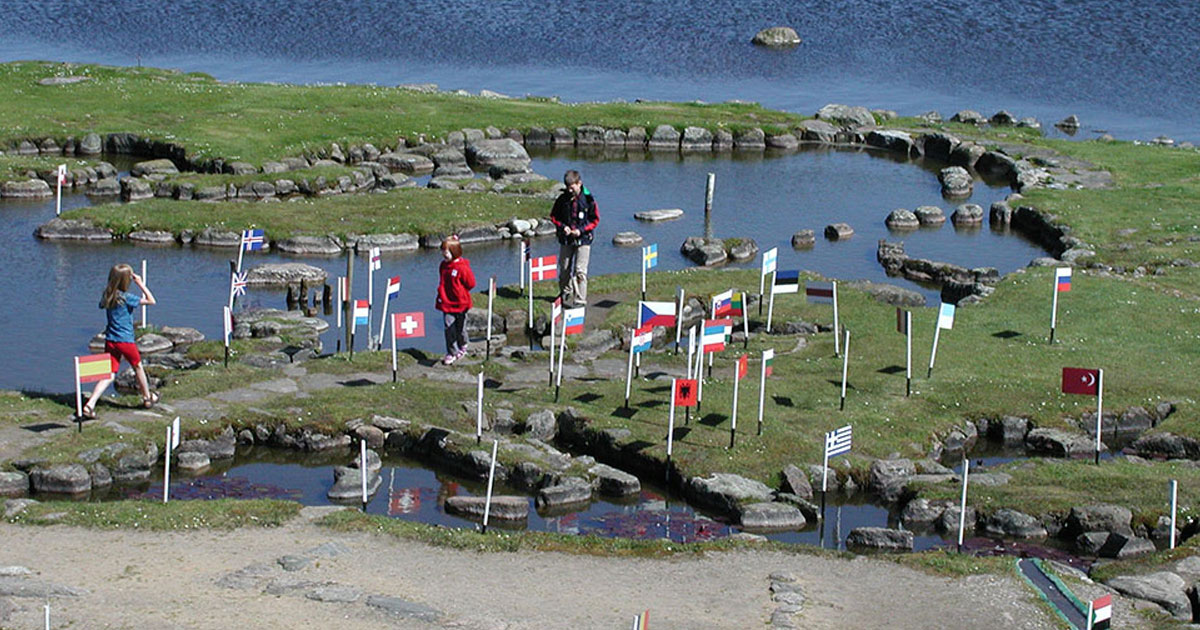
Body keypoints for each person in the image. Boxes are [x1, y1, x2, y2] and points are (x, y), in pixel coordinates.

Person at [80, 263, 158, 418]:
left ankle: (90, 404)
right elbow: (151, 301)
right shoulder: (126, 298)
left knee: (109, 373)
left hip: (111, 340)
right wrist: (141, 284)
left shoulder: (108, 295)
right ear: (126, 281)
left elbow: (102, 305)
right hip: (126, 341)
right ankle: (147, 398)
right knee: (138, 367)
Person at [549, 169, 599, 307]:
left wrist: (581, 230)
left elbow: (595, 220)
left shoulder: (588, 199)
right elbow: (553, 216)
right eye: (568, 187)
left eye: (572, 187)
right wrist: (562, 226)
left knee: (580, 271)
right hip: (566, 239)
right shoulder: (562, 199)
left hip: (584, 239)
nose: (570, 190)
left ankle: (580, 300)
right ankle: (565, 291)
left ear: (579, 183)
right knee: (564, 268)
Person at [435, 235, 476, 365]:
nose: (443, 254)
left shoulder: (462, 267)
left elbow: (471, 283)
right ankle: (452, 352)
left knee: (461, 328)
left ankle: (463, 344)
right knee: (449, 327)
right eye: (442, 251)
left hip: (461, 303)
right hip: (447, 302)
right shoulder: (443, 266)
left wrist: (460, 292)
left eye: (446, 251)